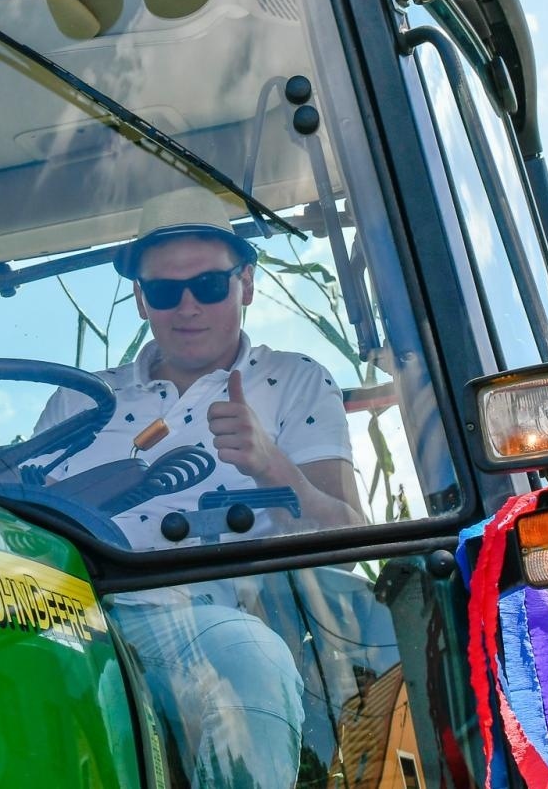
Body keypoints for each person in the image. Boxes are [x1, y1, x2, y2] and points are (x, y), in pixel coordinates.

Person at [33, 187, 364, 788]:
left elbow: (352, 540)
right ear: (140, 299)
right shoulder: (79, 402)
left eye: (209, 286)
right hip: (71, 610)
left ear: (247, 284)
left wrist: (275, 469)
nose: (187, 307)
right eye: (164, 291)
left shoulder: (293, 382)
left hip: (207, 616)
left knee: (249, 665)